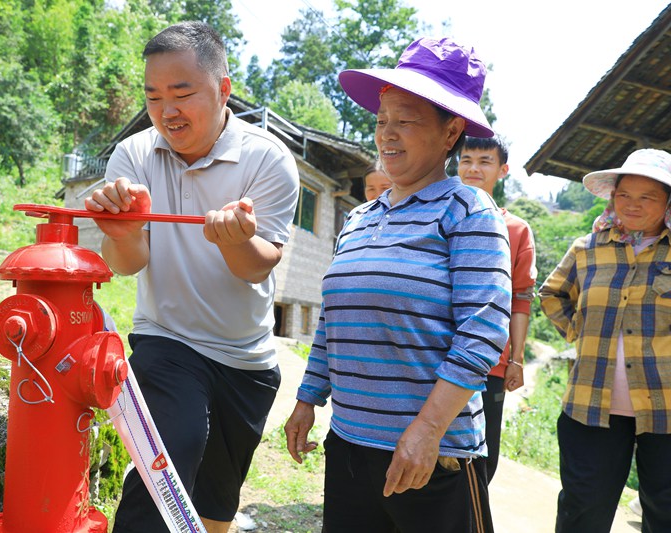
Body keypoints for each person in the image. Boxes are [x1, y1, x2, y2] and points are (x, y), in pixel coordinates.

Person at [284, 37, 511, 533]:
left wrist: (426, 431)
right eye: (382, 119)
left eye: (405, 120)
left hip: (433, 459)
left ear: (451, 132)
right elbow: (334, 321)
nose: (387, 133)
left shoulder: (469, 212)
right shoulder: (360, 218)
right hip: (349, 445)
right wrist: (308, 398)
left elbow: (484, 332)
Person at [84, 21, 299, 533]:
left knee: (215, 506)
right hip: (167, 338)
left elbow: (255, 267)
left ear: (223, 89)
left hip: (246, 360)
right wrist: (122, 229)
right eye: (153, 96)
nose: (166, 111)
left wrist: (236, 239)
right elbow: (127, 262)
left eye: (182, 93)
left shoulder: (267, 160)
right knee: (168, 452)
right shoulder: (134, 156)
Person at [539, 148, 671, 533]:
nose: (633, 204)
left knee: (665, 515)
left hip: (666, 409)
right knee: (583, 512)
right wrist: (581, 332)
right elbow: (552, 295)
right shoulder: (588, 249)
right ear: (613, 198)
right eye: (624, 194)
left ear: (666, 202)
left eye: (647, 196)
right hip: (591, 405)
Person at [458, 135, 537, 482]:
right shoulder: (439, 216)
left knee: (481, 454)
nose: (474, 168)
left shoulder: (517, 229)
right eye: (466, 159)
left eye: (484, 161)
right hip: (432, 350)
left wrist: (516, 358)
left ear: (502, 170)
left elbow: (521, 297)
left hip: (490, 362)